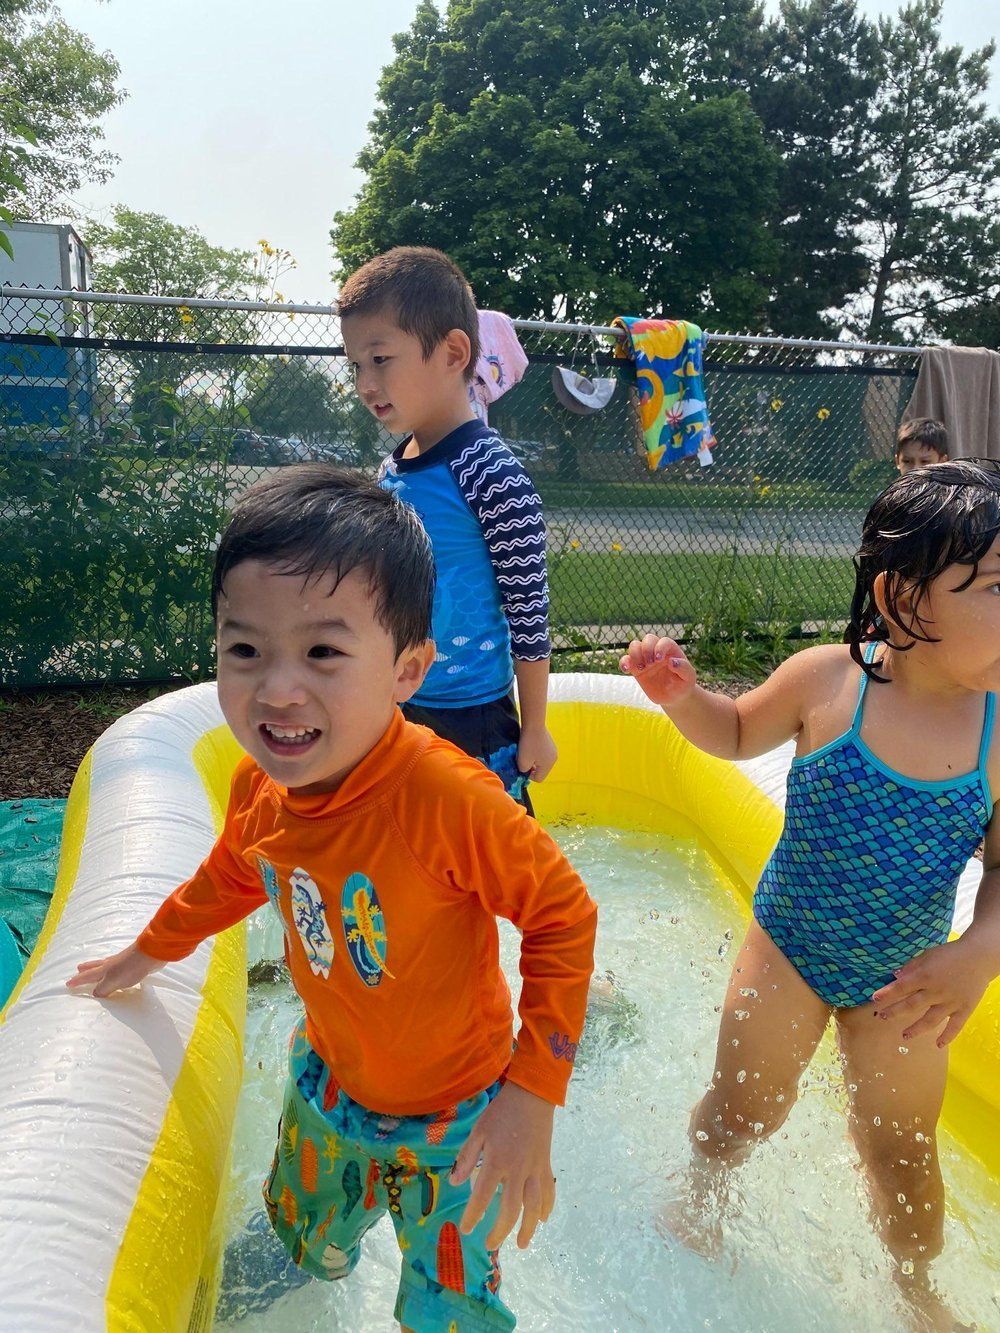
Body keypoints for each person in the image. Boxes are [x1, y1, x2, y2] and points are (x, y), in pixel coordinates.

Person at [67, 466, 597, 1333]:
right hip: (331, 1092)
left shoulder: (443, 798)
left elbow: (563, 913)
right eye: (245, 649)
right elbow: (233, 876)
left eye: (322, 651)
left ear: (407, 668)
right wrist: (147, 951)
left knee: (450, 1312)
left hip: (459, 1122)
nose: (277, 689)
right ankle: (300, 1262)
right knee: (290, 1254)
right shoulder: (262, 788)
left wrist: (531, 1097)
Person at [621, 459, 1000, 1331]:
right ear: (907, 600)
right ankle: (704, 1191)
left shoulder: (993, 727)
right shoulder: (832, 682)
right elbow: (740, 730)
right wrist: (685, 698)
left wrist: (976, 957)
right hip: (789, 946)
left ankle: (914, 1287)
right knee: (743, 1107)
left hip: (904, 985)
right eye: (992, 585)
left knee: (903, 1151)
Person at [338, 246, 556, 812]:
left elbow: (528, 609)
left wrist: (535, 726)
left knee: (492, 868)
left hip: (472, 717)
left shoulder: (491, 473)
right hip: (394, 704)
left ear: (454, 352)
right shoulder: (392, 468)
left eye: (381, 358)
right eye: (356, 365)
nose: (365, 382)